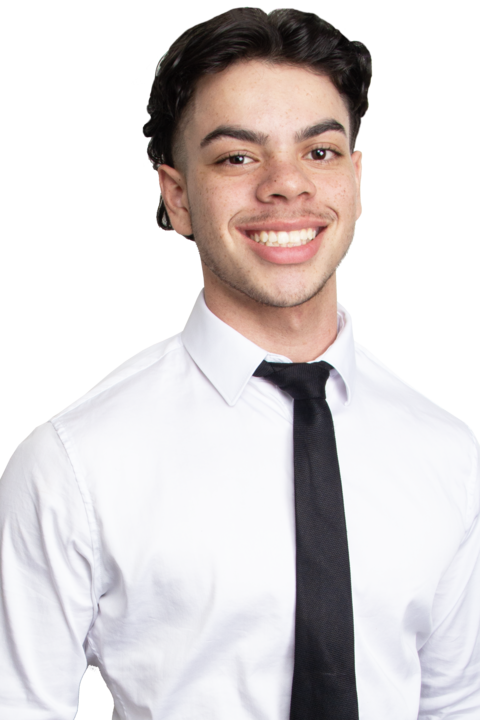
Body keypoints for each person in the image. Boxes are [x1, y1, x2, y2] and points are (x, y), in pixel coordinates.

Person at [1, 6, 479, 719]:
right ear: (177, 195)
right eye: (237, 157)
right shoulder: (72, 463)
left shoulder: (449, 450)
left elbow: (452, 703)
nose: (286, 185)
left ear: (355, 180)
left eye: (319, 152)